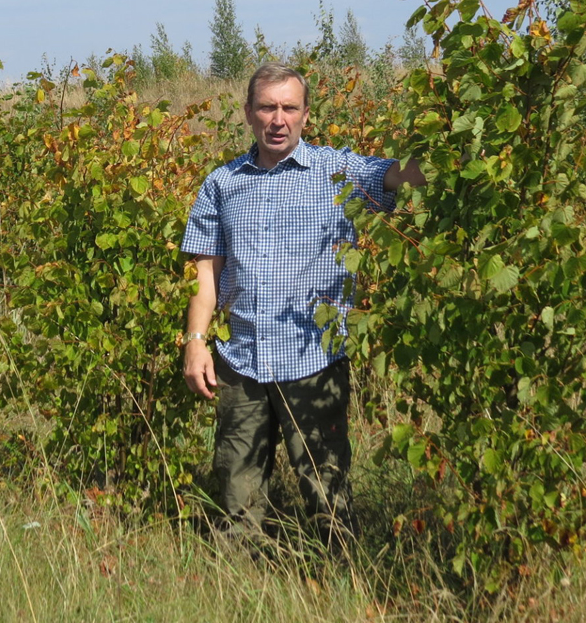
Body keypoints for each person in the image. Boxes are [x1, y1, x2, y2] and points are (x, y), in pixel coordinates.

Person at [181, 62, 424, 541]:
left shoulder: (339, 172)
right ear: (249, 114)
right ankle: (238, 587)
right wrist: (195, 342)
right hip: (241, 360)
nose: (278, 119)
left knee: (327, 493)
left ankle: (338, 582)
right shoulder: (221, 184)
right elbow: (205, 275)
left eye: (289, 108)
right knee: (236, 497)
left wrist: (450, 136)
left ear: (306, 115)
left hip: (314, 359)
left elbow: (401, 175)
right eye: (267, 107)